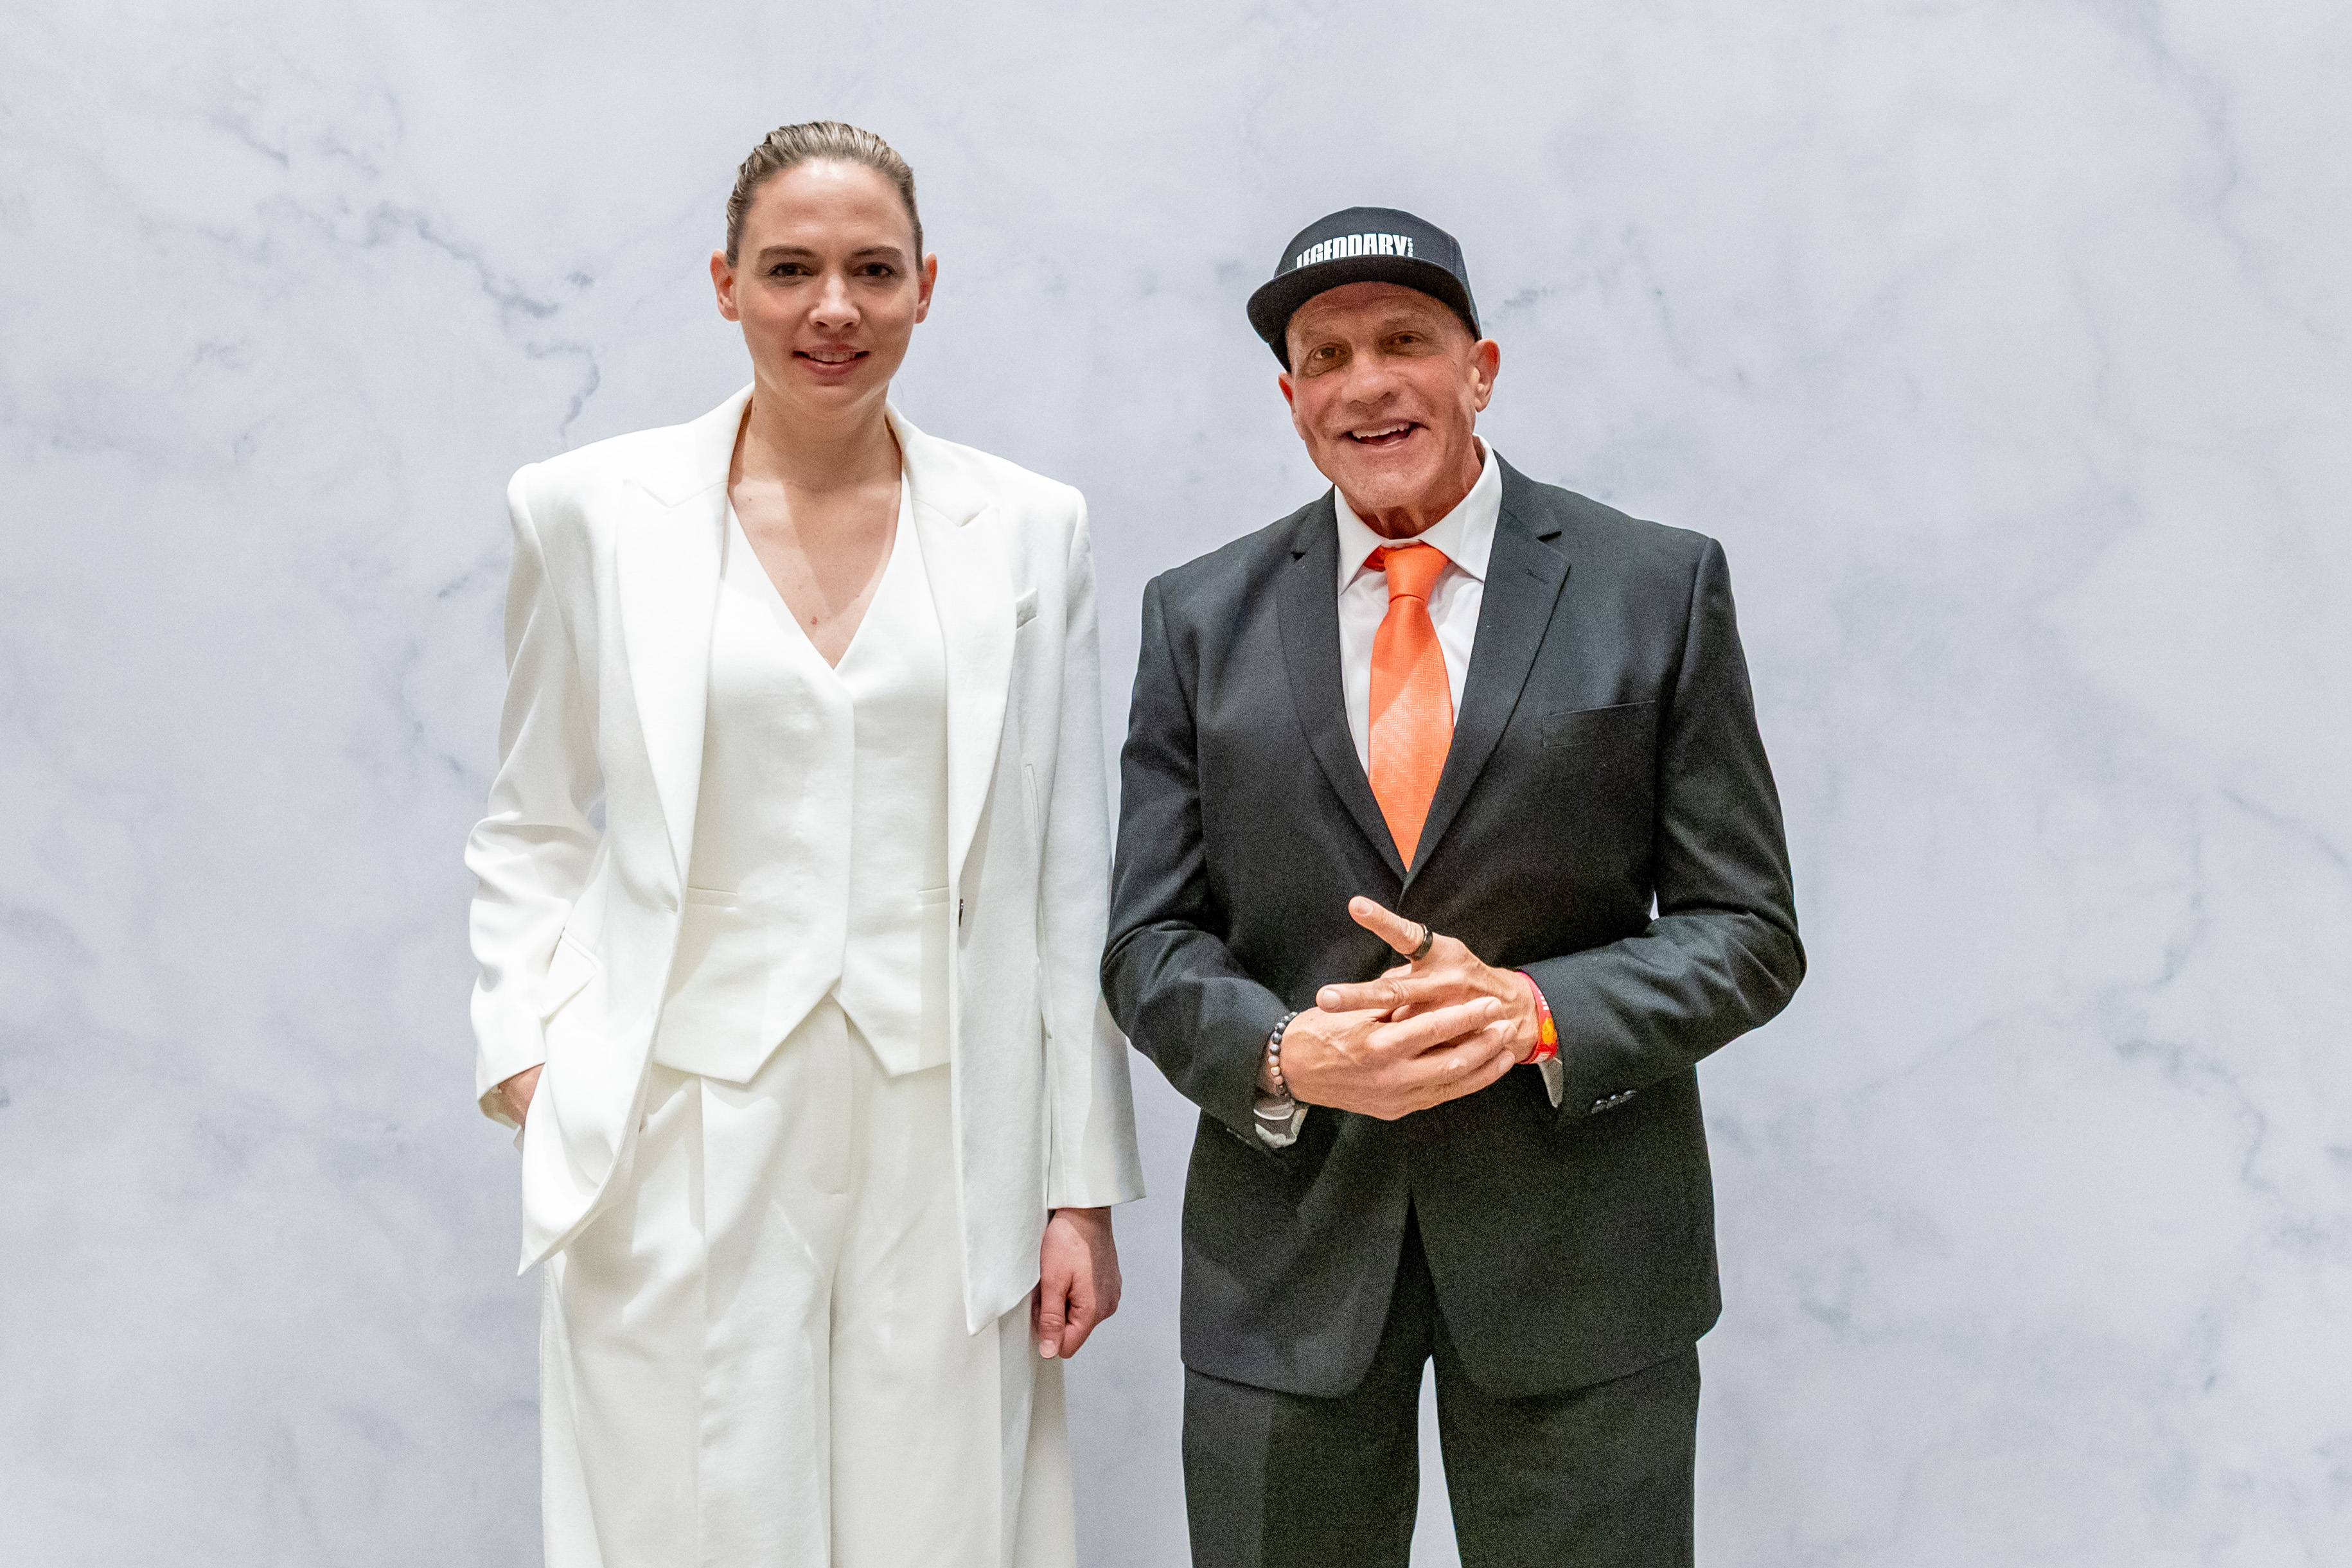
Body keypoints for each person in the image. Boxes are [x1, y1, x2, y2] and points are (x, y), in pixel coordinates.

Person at [464, 121, 1143, 1568]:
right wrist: (529, 1048)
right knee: (686, 1517)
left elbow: (1065, 867)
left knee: (940, 1525)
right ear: (725, 283)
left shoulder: (1031, 528)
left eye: (871, 271)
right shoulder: (587, 511)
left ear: (924, 287)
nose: (832, 307)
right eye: (789, 270)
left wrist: (1076, 1183)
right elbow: (530, 814)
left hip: (949, 1116)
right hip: (680, 1103)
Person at [1103, 207, 1803, 1566]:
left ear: (1479, 370)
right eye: (1327, 356)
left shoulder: (1654, 586)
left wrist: (1531, 1013)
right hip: (1286, 1262)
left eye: (1404, 342)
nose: (1367, 382)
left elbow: (1748, 930)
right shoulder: (1195, 617)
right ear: (1292, 400)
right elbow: (1147, 937)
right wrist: (1284, 1051)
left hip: (1585, 1266)